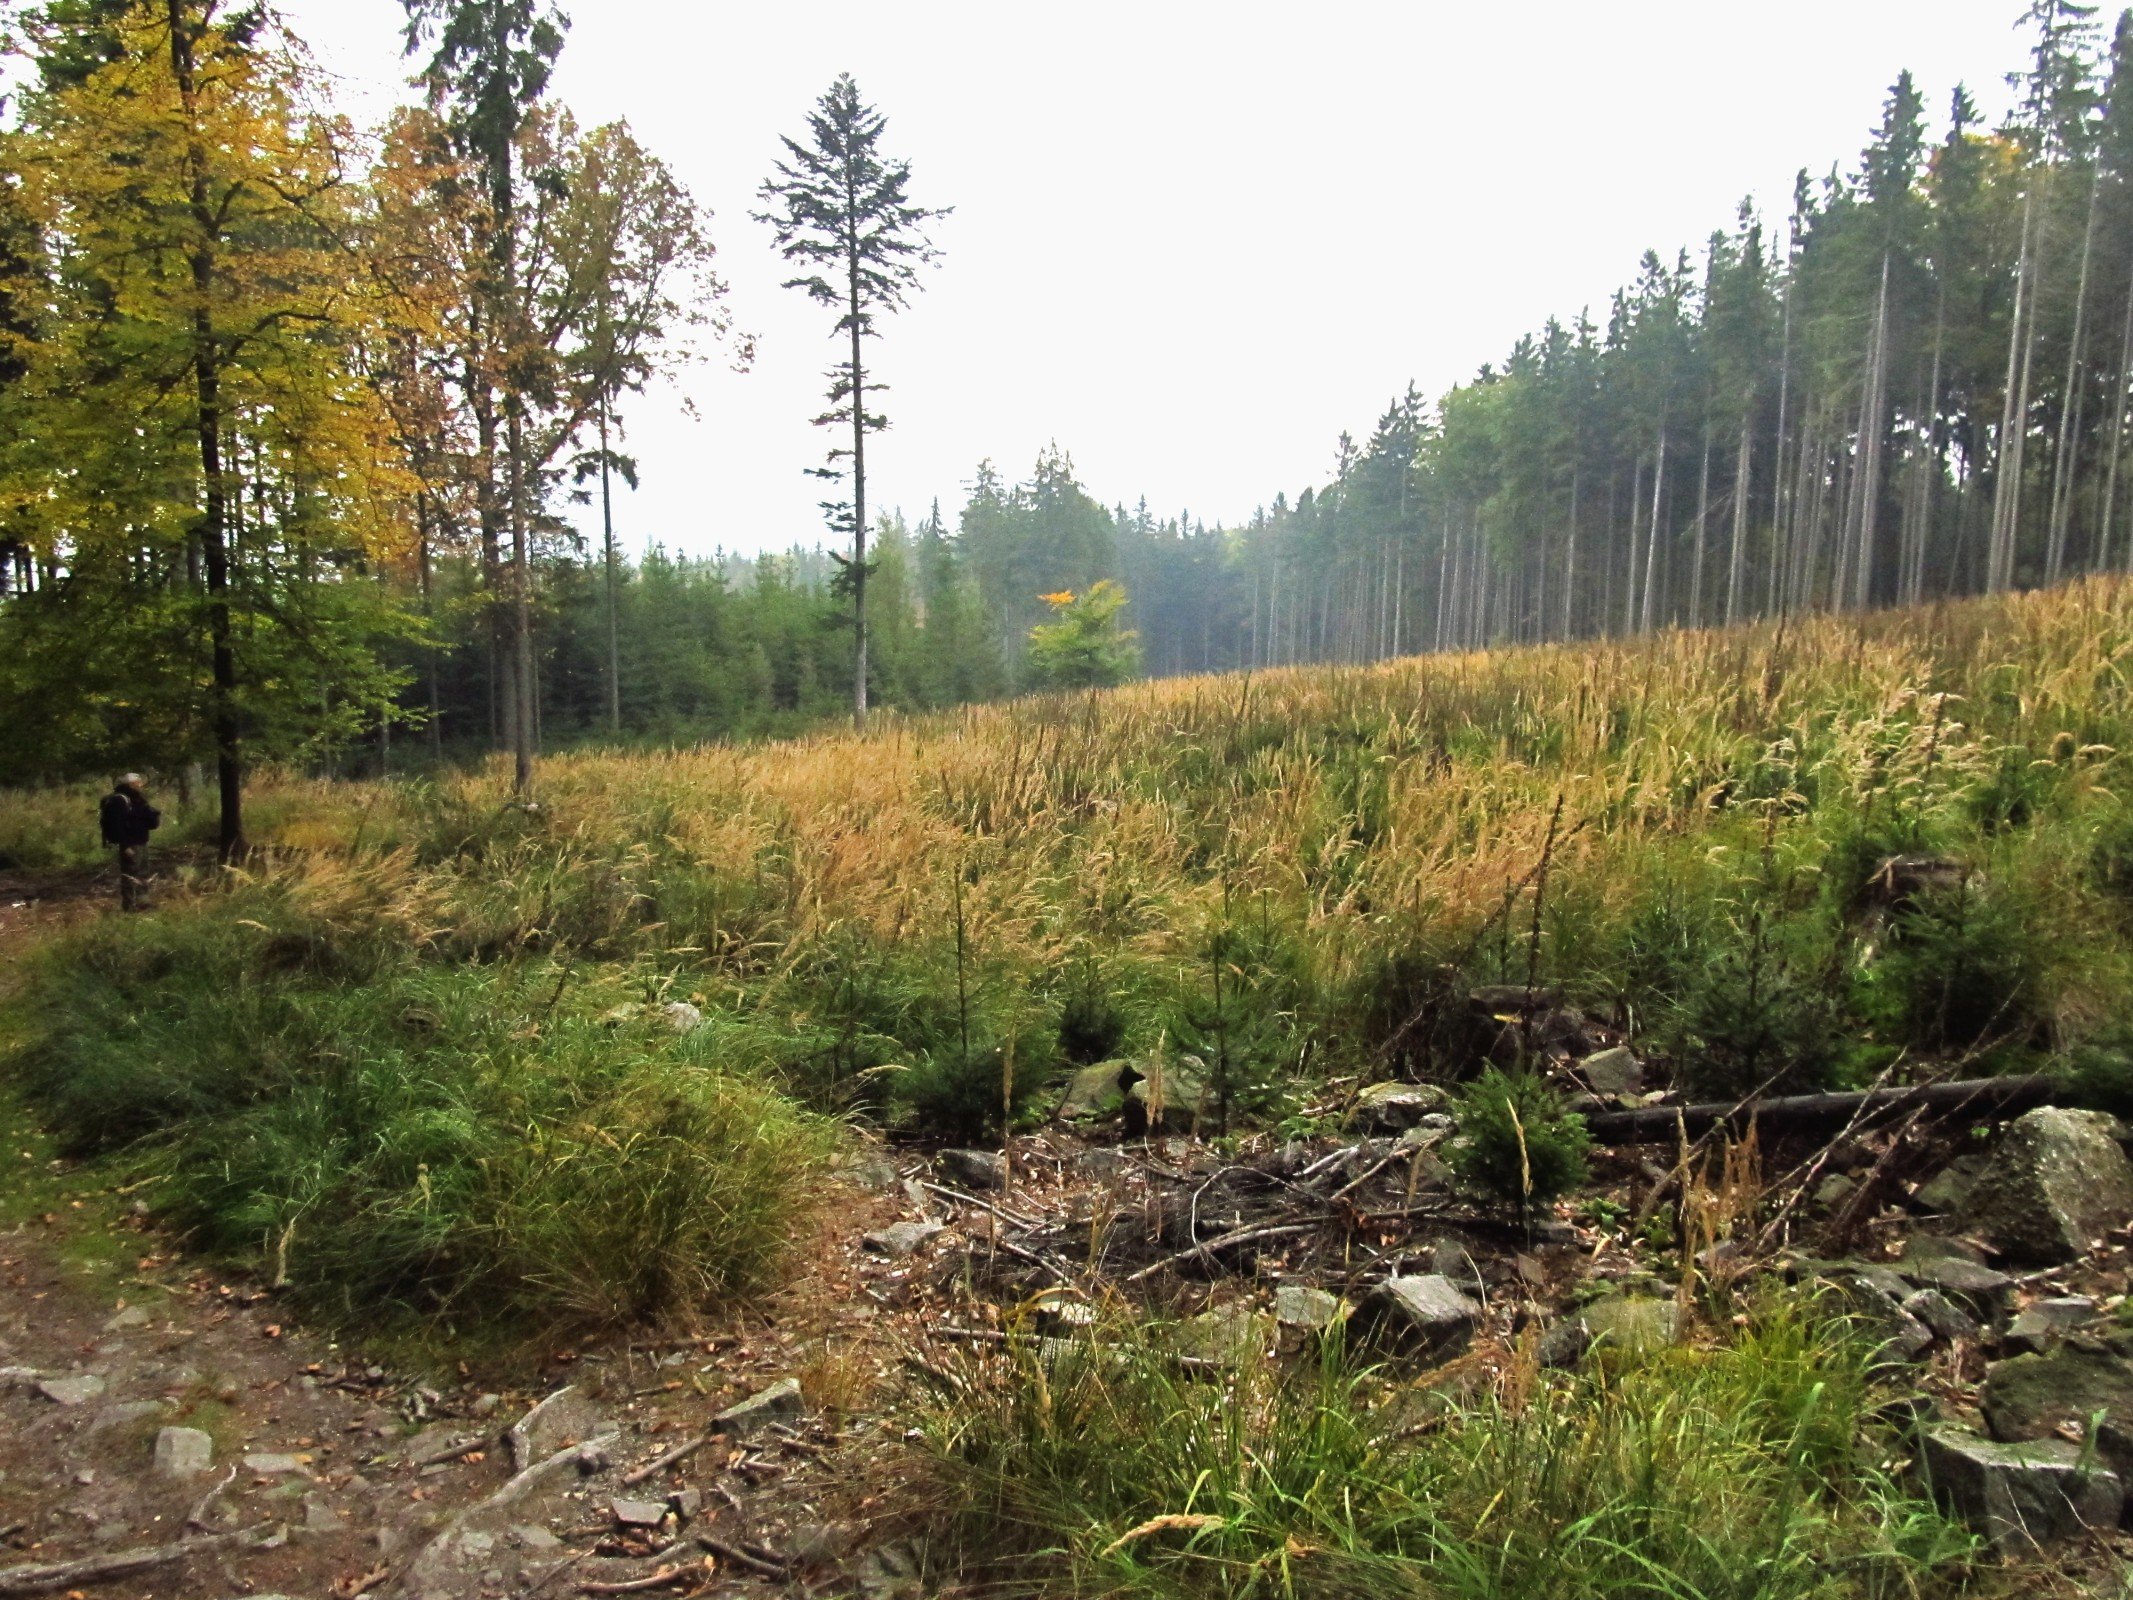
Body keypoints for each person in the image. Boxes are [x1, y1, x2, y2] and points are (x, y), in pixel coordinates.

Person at [98, 773, 160, 911]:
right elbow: (117, 825)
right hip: (130, 844)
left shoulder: (138, 799)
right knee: (130, 875)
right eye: (138, 782)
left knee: (142, 874)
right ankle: (130, 906)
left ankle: (143, 903)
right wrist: (125, 845)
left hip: (141, 842)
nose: (141, 785)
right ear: (131, 784)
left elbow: (145, 821)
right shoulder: (120, 800)